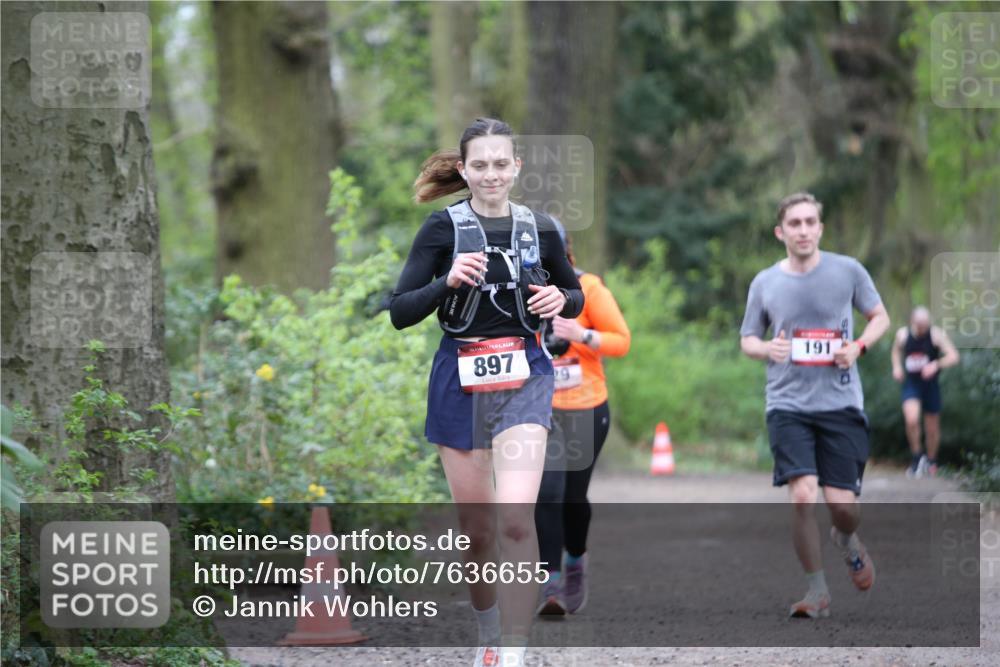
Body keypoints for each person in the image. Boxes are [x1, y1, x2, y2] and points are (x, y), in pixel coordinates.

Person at [389, 117, 584, 667]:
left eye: (501, 163)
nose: (491, 174)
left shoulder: (540, 228)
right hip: (459, 378)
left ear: (516, 167)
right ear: (464, 169)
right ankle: (489, 634)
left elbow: (574, 293)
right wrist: (446, 280)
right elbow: (400, 311)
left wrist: (559, 301)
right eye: (480, 165)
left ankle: (515, 650)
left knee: (516, 518)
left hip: (525, 374)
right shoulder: (441, 229)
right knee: (477, 531)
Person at [739, 192, 890, 619]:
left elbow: (880, 317)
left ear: (820, 229)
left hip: (840, 402)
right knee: (803, 495)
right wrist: (767, 348)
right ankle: (817, 590)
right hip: (787, 403)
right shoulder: (765, 282)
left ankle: (847, 539)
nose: (803, 230)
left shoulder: (848, 271)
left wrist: (858, 346)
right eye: (795, 223)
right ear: (780, 232)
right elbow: (748, 339)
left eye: (810, 222)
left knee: (843, 506)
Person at [533, 221, 631, 617]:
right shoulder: (519, 290)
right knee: (547, 491)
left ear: (564, 250)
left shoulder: (588, 288)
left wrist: (580, 334)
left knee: (573, 496)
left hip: (586, 404)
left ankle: (575, 559)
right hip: (538, 406)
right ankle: (550, 582)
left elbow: (621, 341)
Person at [891, 306, 960, 478]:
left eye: (925, 325)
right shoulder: (902, 335)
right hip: (911, 383)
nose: (922, 329)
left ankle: (931, 461)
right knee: (911, 419)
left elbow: (953, 356)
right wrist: (897, 367)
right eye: (919, 325)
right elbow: (896, 352)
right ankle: (917, 457)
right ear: (912, 322)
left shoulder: (936, 335)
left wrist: (936, 364)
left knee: (932, 427)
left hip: (930, 385)